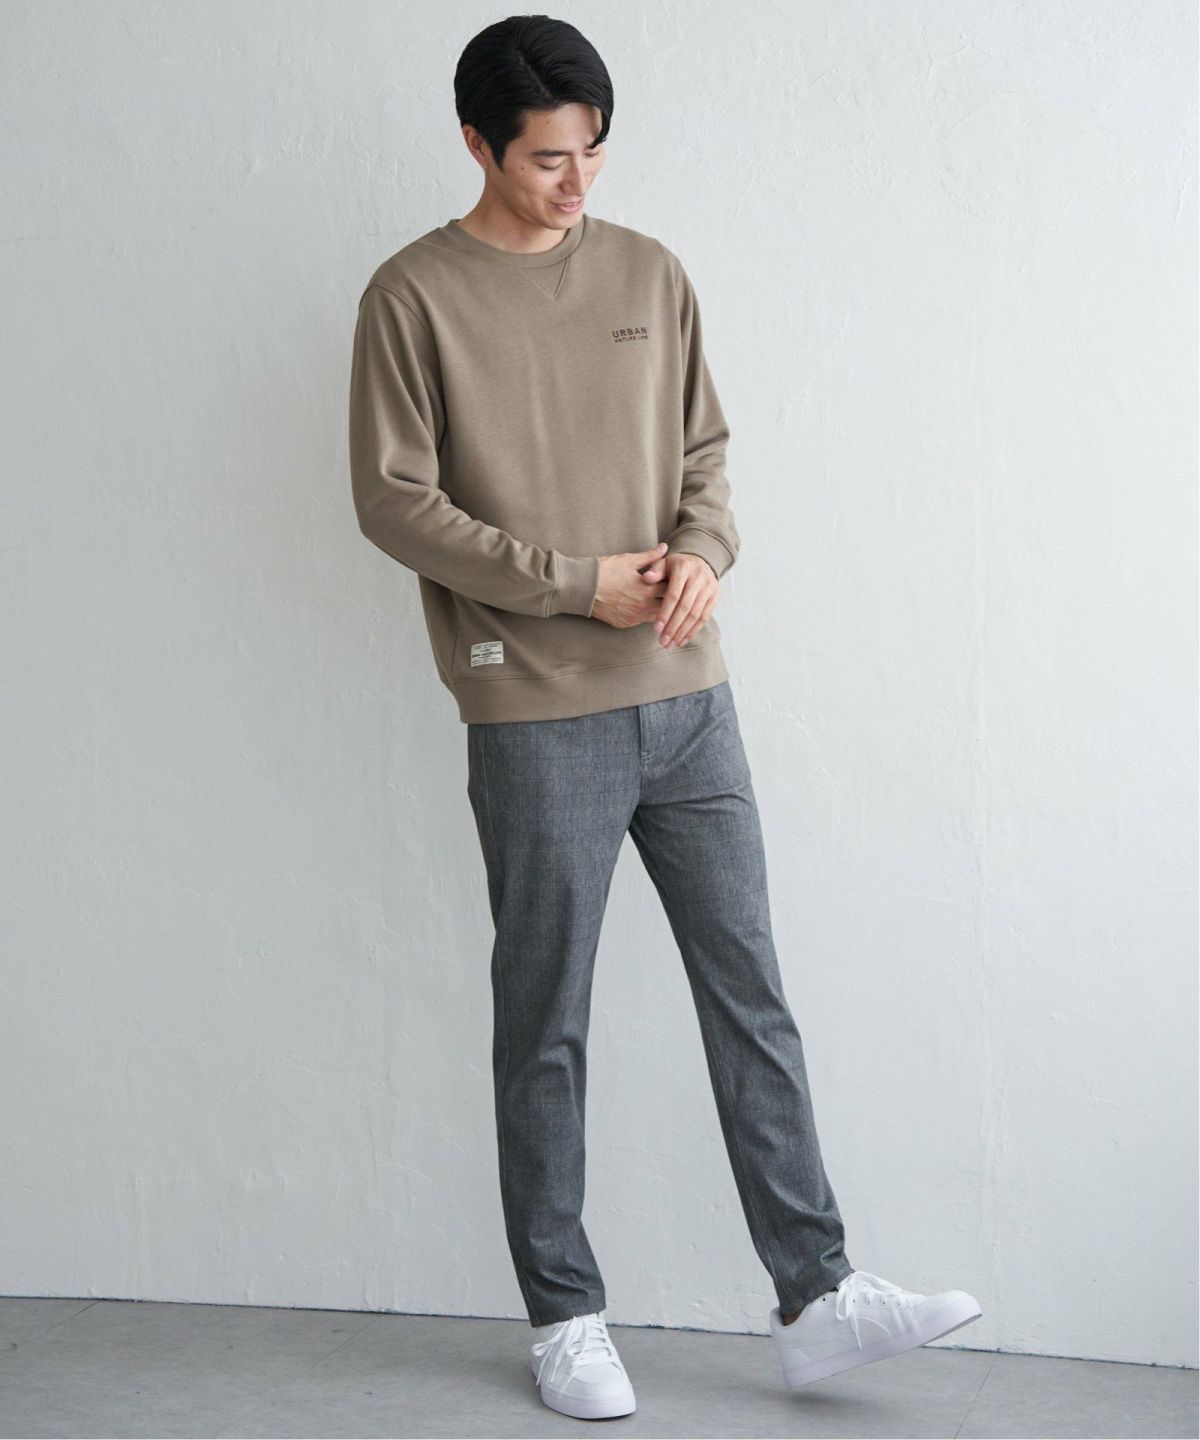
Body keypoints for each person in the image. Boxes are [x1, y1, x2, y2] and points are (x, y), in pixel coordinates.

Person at [348, 14, 982, 1422]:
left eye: (592, 153)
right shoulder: (413, 296)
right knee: (547, 1020)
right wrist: (575, 583)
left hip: (691, 700)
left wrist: (703, 552)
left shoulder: (649, 271)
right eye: (546, 160)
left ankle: (816, 1296)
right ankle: (564, 1315)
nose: (577, 183)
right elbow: (394, 501)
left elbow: (706, 452)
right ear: (477, 145)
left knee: (751, 991)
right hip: (534, 708)